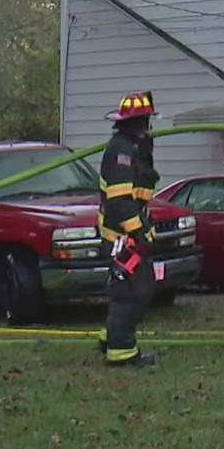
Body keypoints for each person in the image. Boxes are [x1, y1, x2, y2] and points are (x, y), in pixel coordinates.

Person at [98, 91, 160, 367]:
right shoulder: (121, 151)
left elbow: (140, 190)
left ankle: (110, 337)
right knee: (130, 293)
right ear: (141, 123)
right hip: (121, 237)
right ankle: (121, 353)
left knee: (138, 288)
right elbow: (120, 200)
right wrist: (139, 232)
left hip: (126, 234)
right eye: (147, 122)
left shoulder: (132, 148)